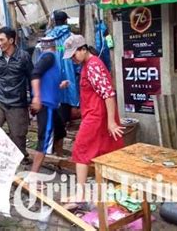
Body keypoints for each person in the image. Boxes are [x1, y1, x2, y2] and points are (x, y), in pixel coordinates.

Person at [63, 34, 124, 199]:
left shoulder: (93, 65)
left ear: (83, 49)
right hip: (94, 114)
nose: (72, 59)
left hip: (96, 116)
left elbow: (108, 94)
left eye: (74, 54)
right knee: (105, 151)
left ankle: (81, 194)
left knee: (80, 150)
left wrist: (111, 122)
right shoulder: (87, 65)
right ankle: (112, 188)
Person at [0, 26, 33, 161]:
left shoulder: (24, 57)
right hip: (0, 99)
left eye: (2, 40)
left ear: (11, 40)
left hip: (17, 102)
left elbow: (32, 78)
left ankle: (21, 157)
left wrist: (32, 99)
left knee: (18, 134)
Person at [29, 37, 67, 176]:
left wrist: (60, 85)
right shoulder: (49, 57)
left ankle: (59, 159)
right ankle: (33, 175)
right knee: (44, 138)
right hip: (46, 104)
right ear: (55, 46)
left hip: (52, 104)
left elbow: (46, 80)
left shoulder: (49, 59)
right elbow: (35, 74)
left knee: (60, 131)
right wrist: (37, 97)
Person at [46, 10, 80, 126]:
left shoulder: (48, 38)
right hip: (69, 70)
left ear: (55, 22)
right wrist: (78, 71)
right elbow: (77, 58)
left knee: (57, 95)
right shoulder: (71, 37)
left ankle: (59, 123)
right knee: (70, 92)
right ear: (66, 21)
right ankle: (68, 121)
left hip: (53, 71)